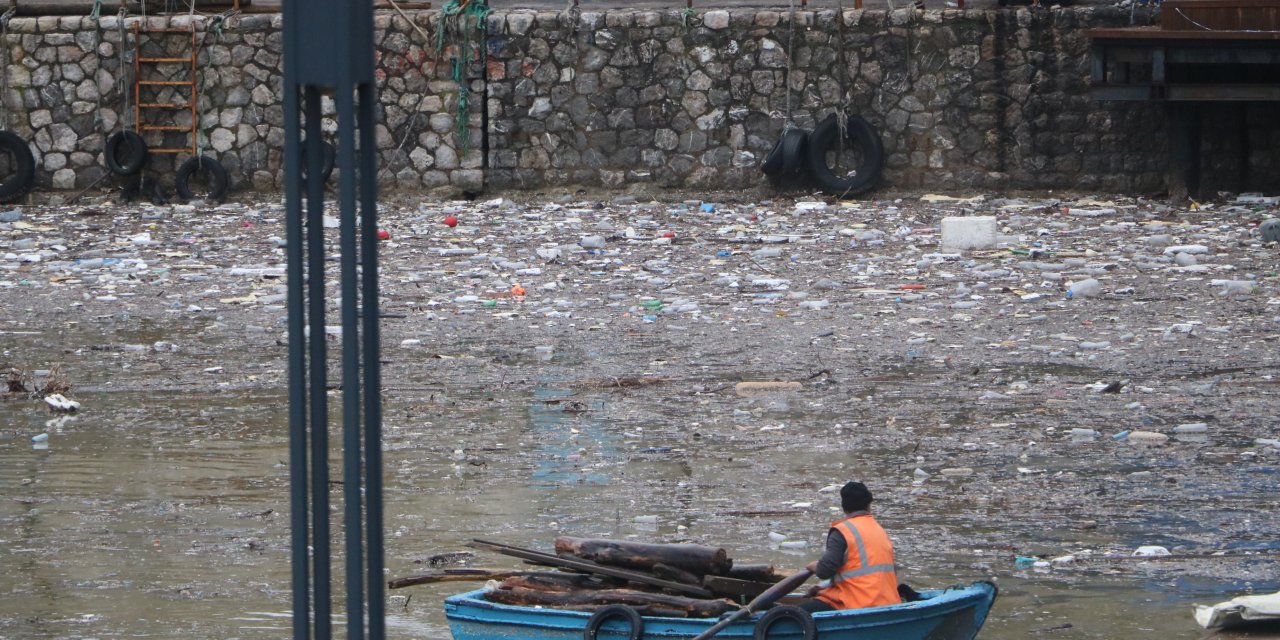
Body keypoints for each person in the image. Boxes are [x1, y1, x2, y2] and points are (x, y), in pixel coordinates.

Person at [796, 481, 902, 613]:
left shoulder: (843, 531)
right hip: (888, 602)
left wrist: (814, 566)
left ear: (844, 507)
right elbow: (868, 575)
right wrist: (826, 587)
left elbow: (825, 571)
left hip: (856, 604)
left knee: (791, 613)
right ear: (869, 505)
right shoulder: (879, 529)